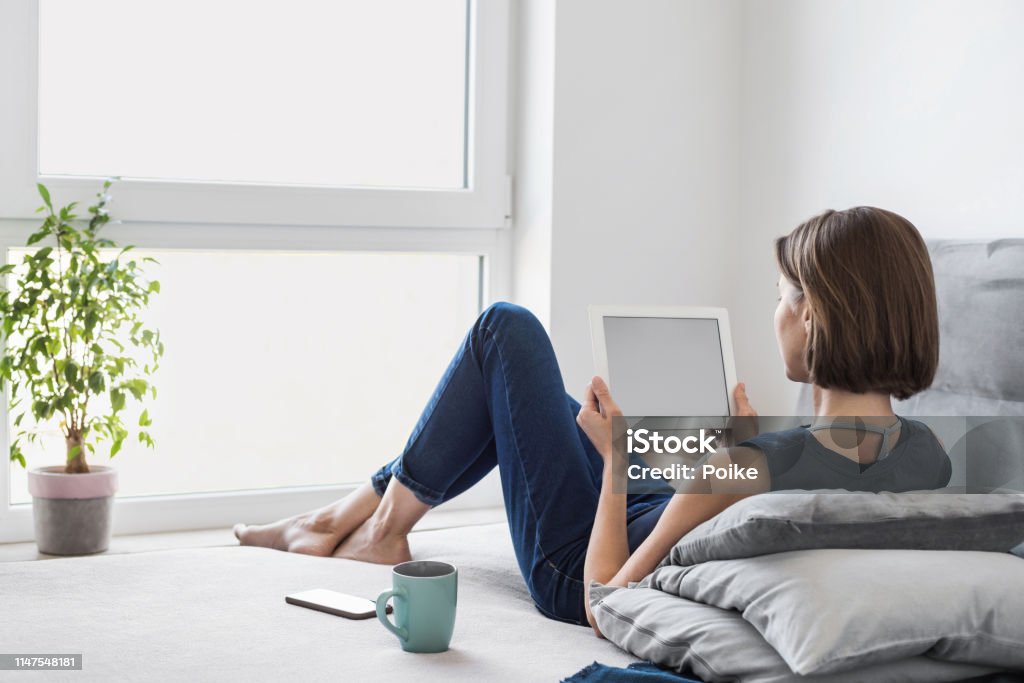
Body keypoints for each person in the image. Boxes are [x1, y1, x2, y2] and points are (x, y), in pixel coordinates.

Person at [235, 206, 949, 636]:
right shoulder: (930, 457)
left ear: (814, 313)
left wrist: (617, 466)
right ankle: (357, 514)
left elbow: (604, 596)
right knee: (532, 397)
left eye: (782, 293)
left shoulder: (757, 462)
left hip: (570, 559)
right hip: (669, 506)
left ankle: (373, 525)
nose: (777, 311)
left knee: (504, 334)